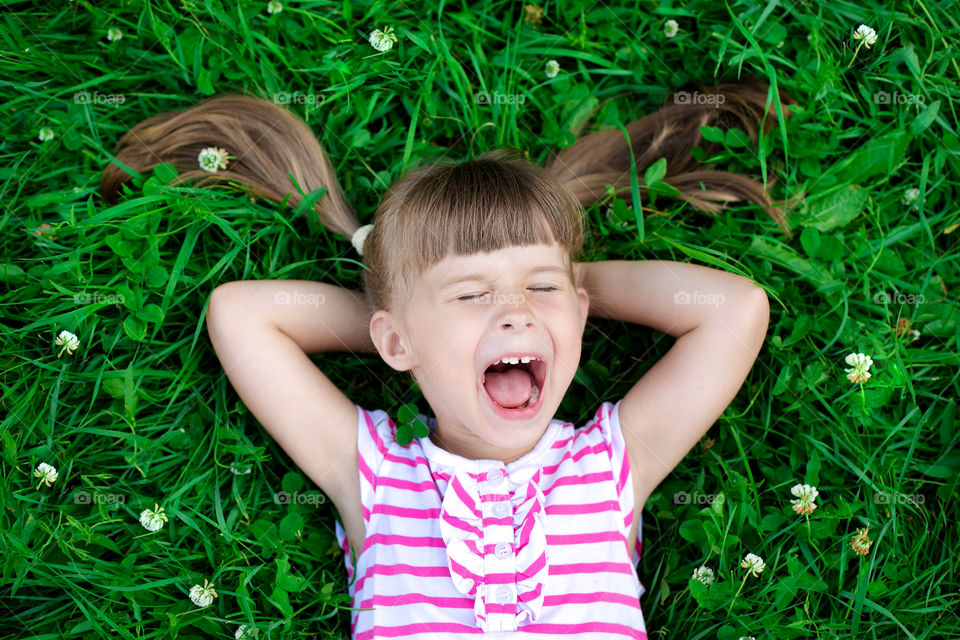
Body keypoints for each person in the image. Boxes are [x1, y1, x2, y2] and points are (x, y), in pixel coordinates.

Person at [101, 78, 798, 639]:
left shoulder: (614, 464)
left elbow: (734, 311)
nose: (515, 312)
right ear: (394, 343)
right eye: (470, 295)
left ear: (580, 310)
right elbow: (240, 314)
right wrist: (407, 318)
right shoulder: (372, 475)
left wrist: (567, 292)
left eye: (541, 289)